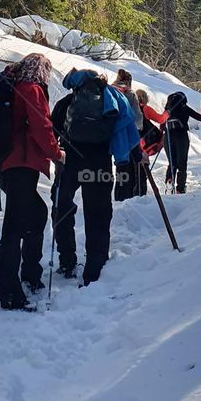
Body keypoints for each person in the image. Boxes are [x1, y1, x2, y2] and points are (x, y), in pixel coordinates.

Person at [0, 54, 64, 312]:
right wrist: (56, 153)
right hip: (20, 163)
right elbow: (41, 126)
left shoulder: (12, 86)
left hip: (6, 164)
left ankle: (29, 273)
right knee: (14, 226)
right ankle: (9, 289)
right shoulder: (30, 89)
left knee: (35, 214)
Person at [51, 68, 139, 284]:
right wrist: (134, 155)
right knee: (98, 213)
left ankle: (67, 260)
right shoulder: (114, 99)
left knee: (62, 208)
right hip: (99, 164)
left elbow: (52, 131)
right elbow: (127, 128)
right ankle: (95, 267)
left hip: (70, 162)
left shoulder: (67, 103)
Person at [163, 91, 201, 194]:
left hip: (168, 136)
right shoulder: (184, 108)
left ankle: (169, 182)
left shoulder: (167, 110)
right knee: (182, 164)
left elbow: (161, 123)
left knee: (172, 163)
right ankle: (180, 189)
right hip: (181, 136)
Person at [112, 69, 144, 201]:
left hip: (114, 136)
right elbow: (137, 118)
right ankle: (129, 199)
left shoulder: (110, 91)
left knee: (120, 167)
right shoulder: (130, 94)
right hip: (129, 136)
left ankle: (118, 196)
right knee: (130, 169)